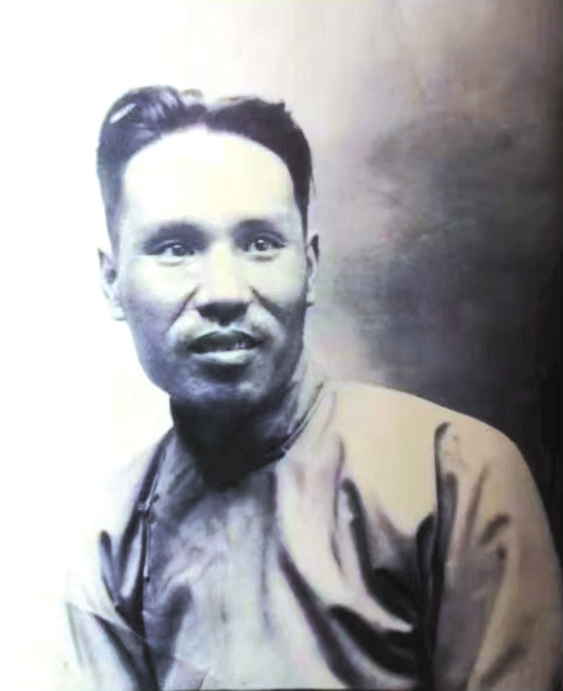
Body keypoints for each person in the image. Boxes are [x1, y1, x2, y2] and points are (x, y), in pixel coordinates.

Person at [64, 85, 562, 690]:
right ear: (112, 280)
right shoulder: (106, 543)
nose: (224, 292)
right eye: (175, 248)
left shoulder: (452, 477)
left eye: (260, 244)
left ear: (310, 266)